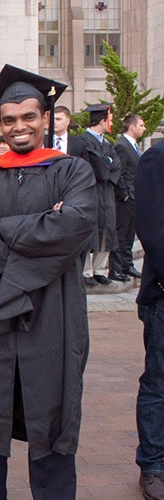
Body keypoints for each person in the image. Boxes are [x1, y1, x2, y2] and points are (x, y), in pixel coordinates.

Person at [0, 64, 96, 500]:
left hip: (53, 318)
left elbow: (72, 228)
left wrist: (2, 227)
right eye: (8, 120)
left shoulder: (73, 171)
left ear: (46, 118)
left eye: (28, 117)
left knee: (50, 414)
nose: (19, 127)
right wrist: (38, 226)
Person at [133, 138, 164, 500]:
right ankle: (154, 463)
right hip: (163, 295)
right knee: (159, 383)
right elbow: (154, 232)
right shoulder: (157, 158)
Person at [77, 102, 121, 287]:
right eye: (109, 119)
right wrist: (106, 164)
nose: (111, 122)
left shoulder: (108, 144)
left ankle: (100, 270)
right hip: (91, 191)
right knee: (90, 230)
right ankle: (86, 271)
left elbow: (115, 166)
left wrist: (106, 164)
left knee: (107, 231)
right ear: (102, 120)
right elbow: (98, 168)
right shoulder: (83, 141)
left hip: (106, 192)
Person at [110, 113, 146, 281]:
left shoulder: (133, 146)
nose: (144, 129)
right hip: (126, 198)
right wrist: (124, 194)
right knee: (120, 233)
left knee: (130, 234)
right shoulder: (122, 146)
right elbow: (120, 172)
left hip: (135, 197)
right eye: (141, 125)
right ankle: (116, 269)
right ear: (132, 127)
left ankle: (127, 265)